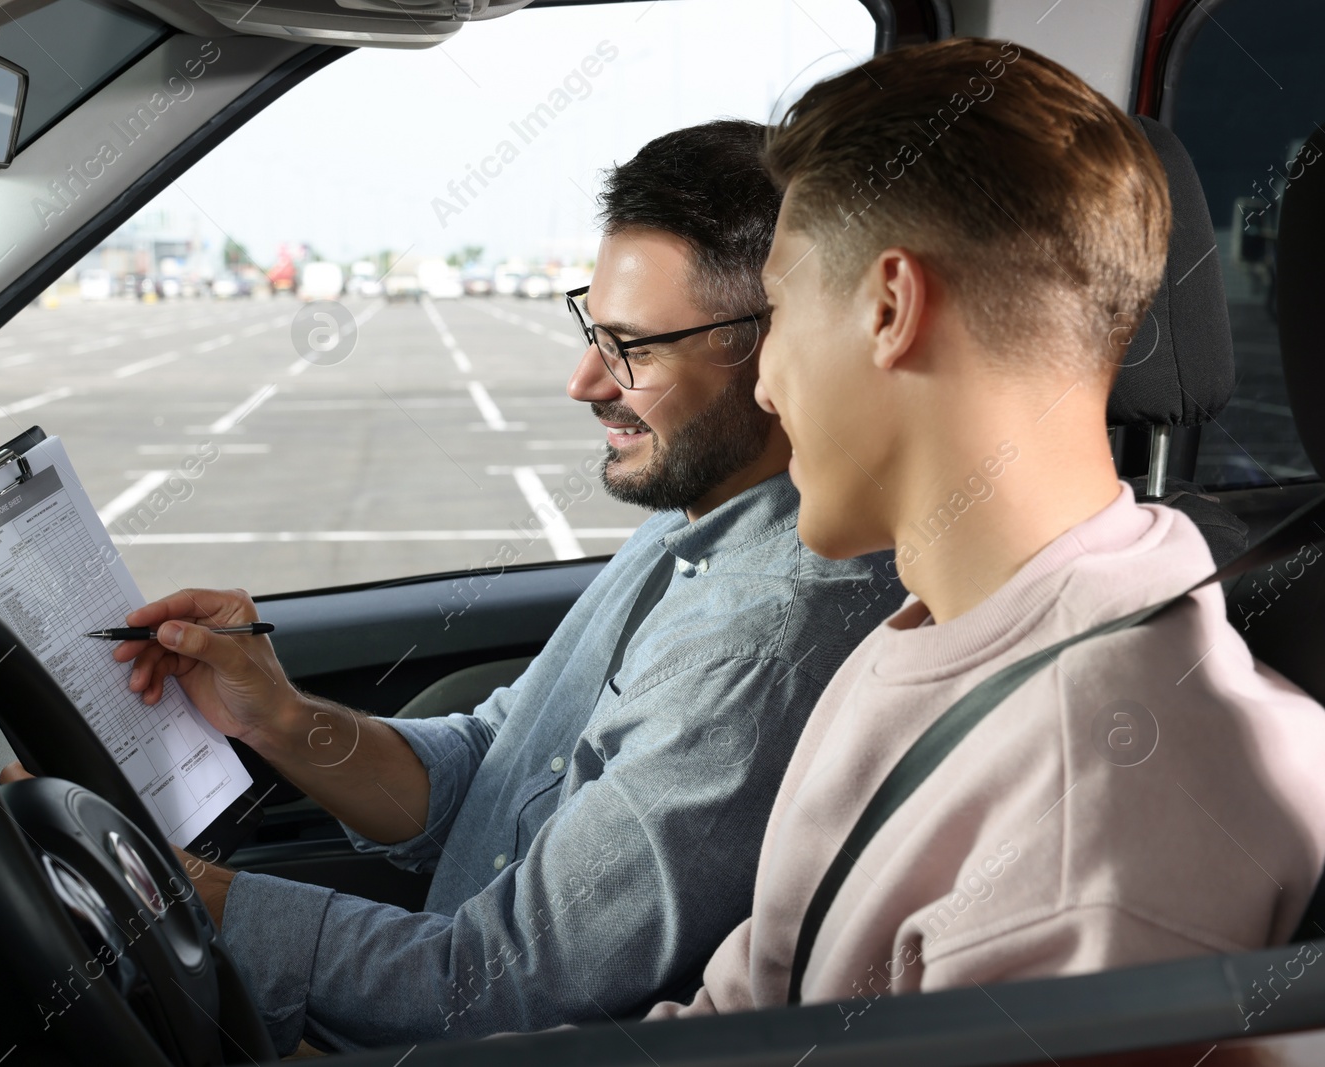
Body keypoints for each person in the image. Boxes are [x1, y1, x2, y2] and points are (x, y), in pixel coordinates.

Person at [103, 120, 905, 1050]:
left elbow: (492, 992)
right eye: (589, 329)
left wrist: (159, 886)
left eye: (631, 349)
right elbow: (494, 767)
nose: (581, 383)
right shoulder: (688, 522)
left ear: (775, 354)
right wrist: (278, 719)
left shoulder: (759, 642)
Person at [646, 39, 1325, 1020]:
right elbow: (744, 1011)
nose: (761, 380)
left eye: (781, 310)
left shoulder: (1096, 812)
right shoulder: (946, 628)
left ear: (890, 305)